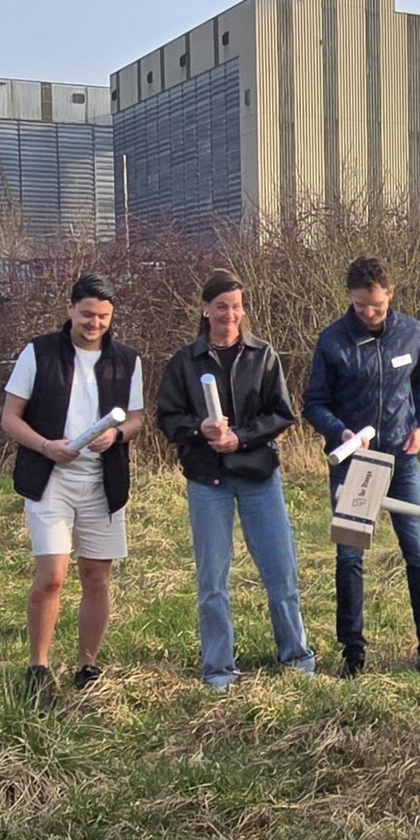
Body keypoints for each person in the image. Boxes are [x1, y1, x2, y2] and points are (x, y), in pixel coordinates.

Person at [155, 269, 317, 689]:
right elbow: (167, 418)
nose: (230, 314)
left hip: (259, 476)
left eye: (237, 307)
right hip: (207, 481)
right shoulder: (183, 362)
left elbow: (282, 414)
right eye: (222, 306)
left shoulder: (264, 356)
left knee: (281, 572)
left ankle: (296, 654)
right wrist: (199, 430)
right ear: (206, 309)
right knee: (213, 581)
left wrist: (241, 438)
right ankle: (219, 667)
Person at [0, 272, 146, 710]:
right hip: (50, 480)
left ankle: (87, 667)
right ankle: (39, 669)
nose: (94, 323)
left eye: (102, 316)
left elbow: (136, 420)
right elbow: (10, 418)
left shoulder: (127, 360)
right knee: (52, 577)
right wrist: (46, 446)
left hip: (104, 481)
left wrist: (116, 437)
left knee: (96, 576)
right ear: (70, 310)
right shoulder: (38, 353)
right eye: (86, 314)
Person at [304, 255, 420, 677]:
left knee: (418, 554)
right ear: (350, 297)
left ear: (390, 295)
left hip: (402, 461)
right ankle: (353, 653)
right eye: (361, 306)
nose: (369, 313)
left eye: (377, 306)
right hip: (356, 465)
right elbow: (314, 403)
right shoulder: (333, 341)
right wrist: (340, 433)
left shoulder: (411, 333)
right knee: (350, 557)